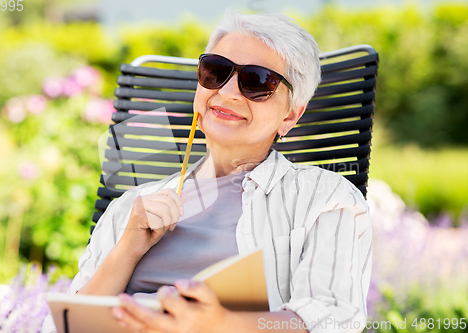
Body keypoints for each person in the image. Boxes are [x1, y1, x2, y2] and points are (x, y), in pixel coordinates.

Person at [42, 10, 372, 333]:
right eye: (216, 71)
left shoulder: (324, 198)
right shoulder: (133, 205)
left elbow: (332, 318)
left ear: (290, 116)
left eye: (257, 81)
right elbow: (64, 326)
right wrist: (125, 250)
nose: (227, 93)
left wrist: (220, 325)